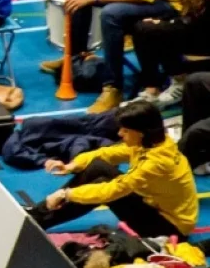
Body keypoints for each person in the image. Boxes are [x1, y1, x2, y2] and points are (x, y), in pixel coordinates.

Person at [31, 99, 196, 237]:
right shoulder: (154, 142)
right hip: (155, 206)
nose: (119, 134)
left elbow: (112, 191)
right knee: (98, 166)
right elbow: (106, 154)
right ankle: (40, 213)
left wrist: (67, 194)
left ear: (141, 132)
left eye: (125, 130)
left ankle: (39, 219)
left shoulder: (155, 163)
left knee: (102, 185)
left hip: (168, 228)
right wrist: (72, 165)